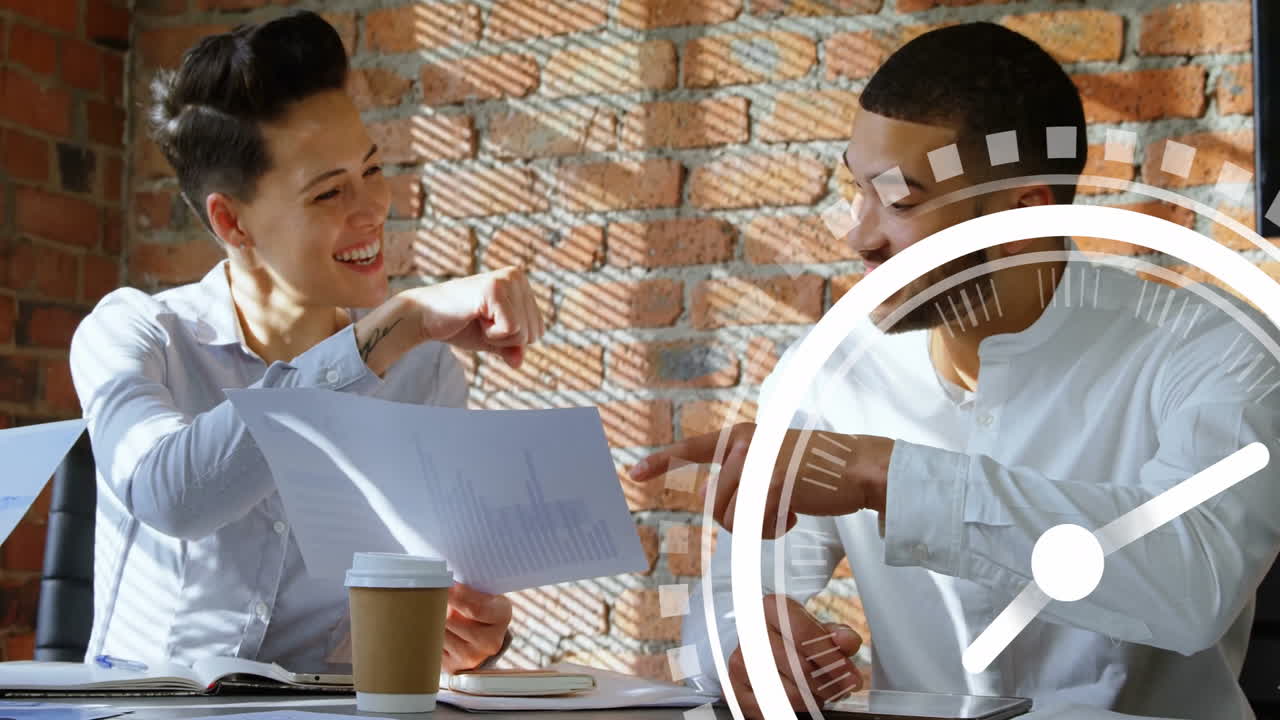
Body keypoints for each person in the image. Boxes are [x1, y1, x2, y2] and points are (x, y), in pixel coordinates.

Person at [630, 22, 1280, 719]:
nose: (860, 235)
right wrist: (748, 643)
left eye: (902, 201)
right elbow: (732, 591)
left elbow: (1195, 584)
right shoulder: (831, 373)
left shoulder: (1215, 351)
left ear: (1022, 216)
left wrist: (885, 474)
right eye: (860, 190)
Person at [69, 10, 545, 673]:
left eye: (372, 171)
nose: (372, 208)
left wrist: (478, 637)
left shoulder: (425, 372)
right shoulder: (135, 333)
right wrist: (392, 329)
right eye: (329, 193)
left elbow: (435, 594)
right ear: (232, 222)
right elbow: (171, 495)